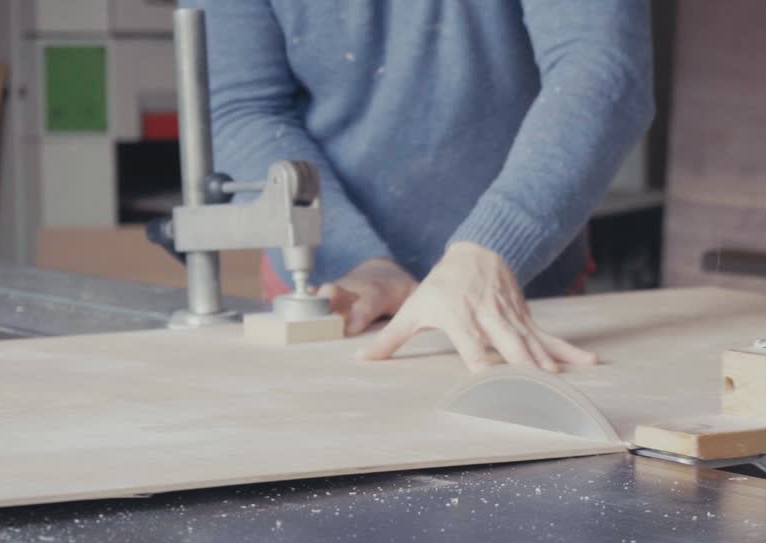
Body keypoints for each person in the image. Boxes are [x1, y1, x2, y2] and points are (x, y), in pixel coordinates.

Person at [188, 0, 655, 371]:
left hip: (513, 286)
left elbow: (600, 68)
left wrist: (491, 248)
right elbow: (242, 108)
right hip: (337, 293)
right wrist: (356, 260)